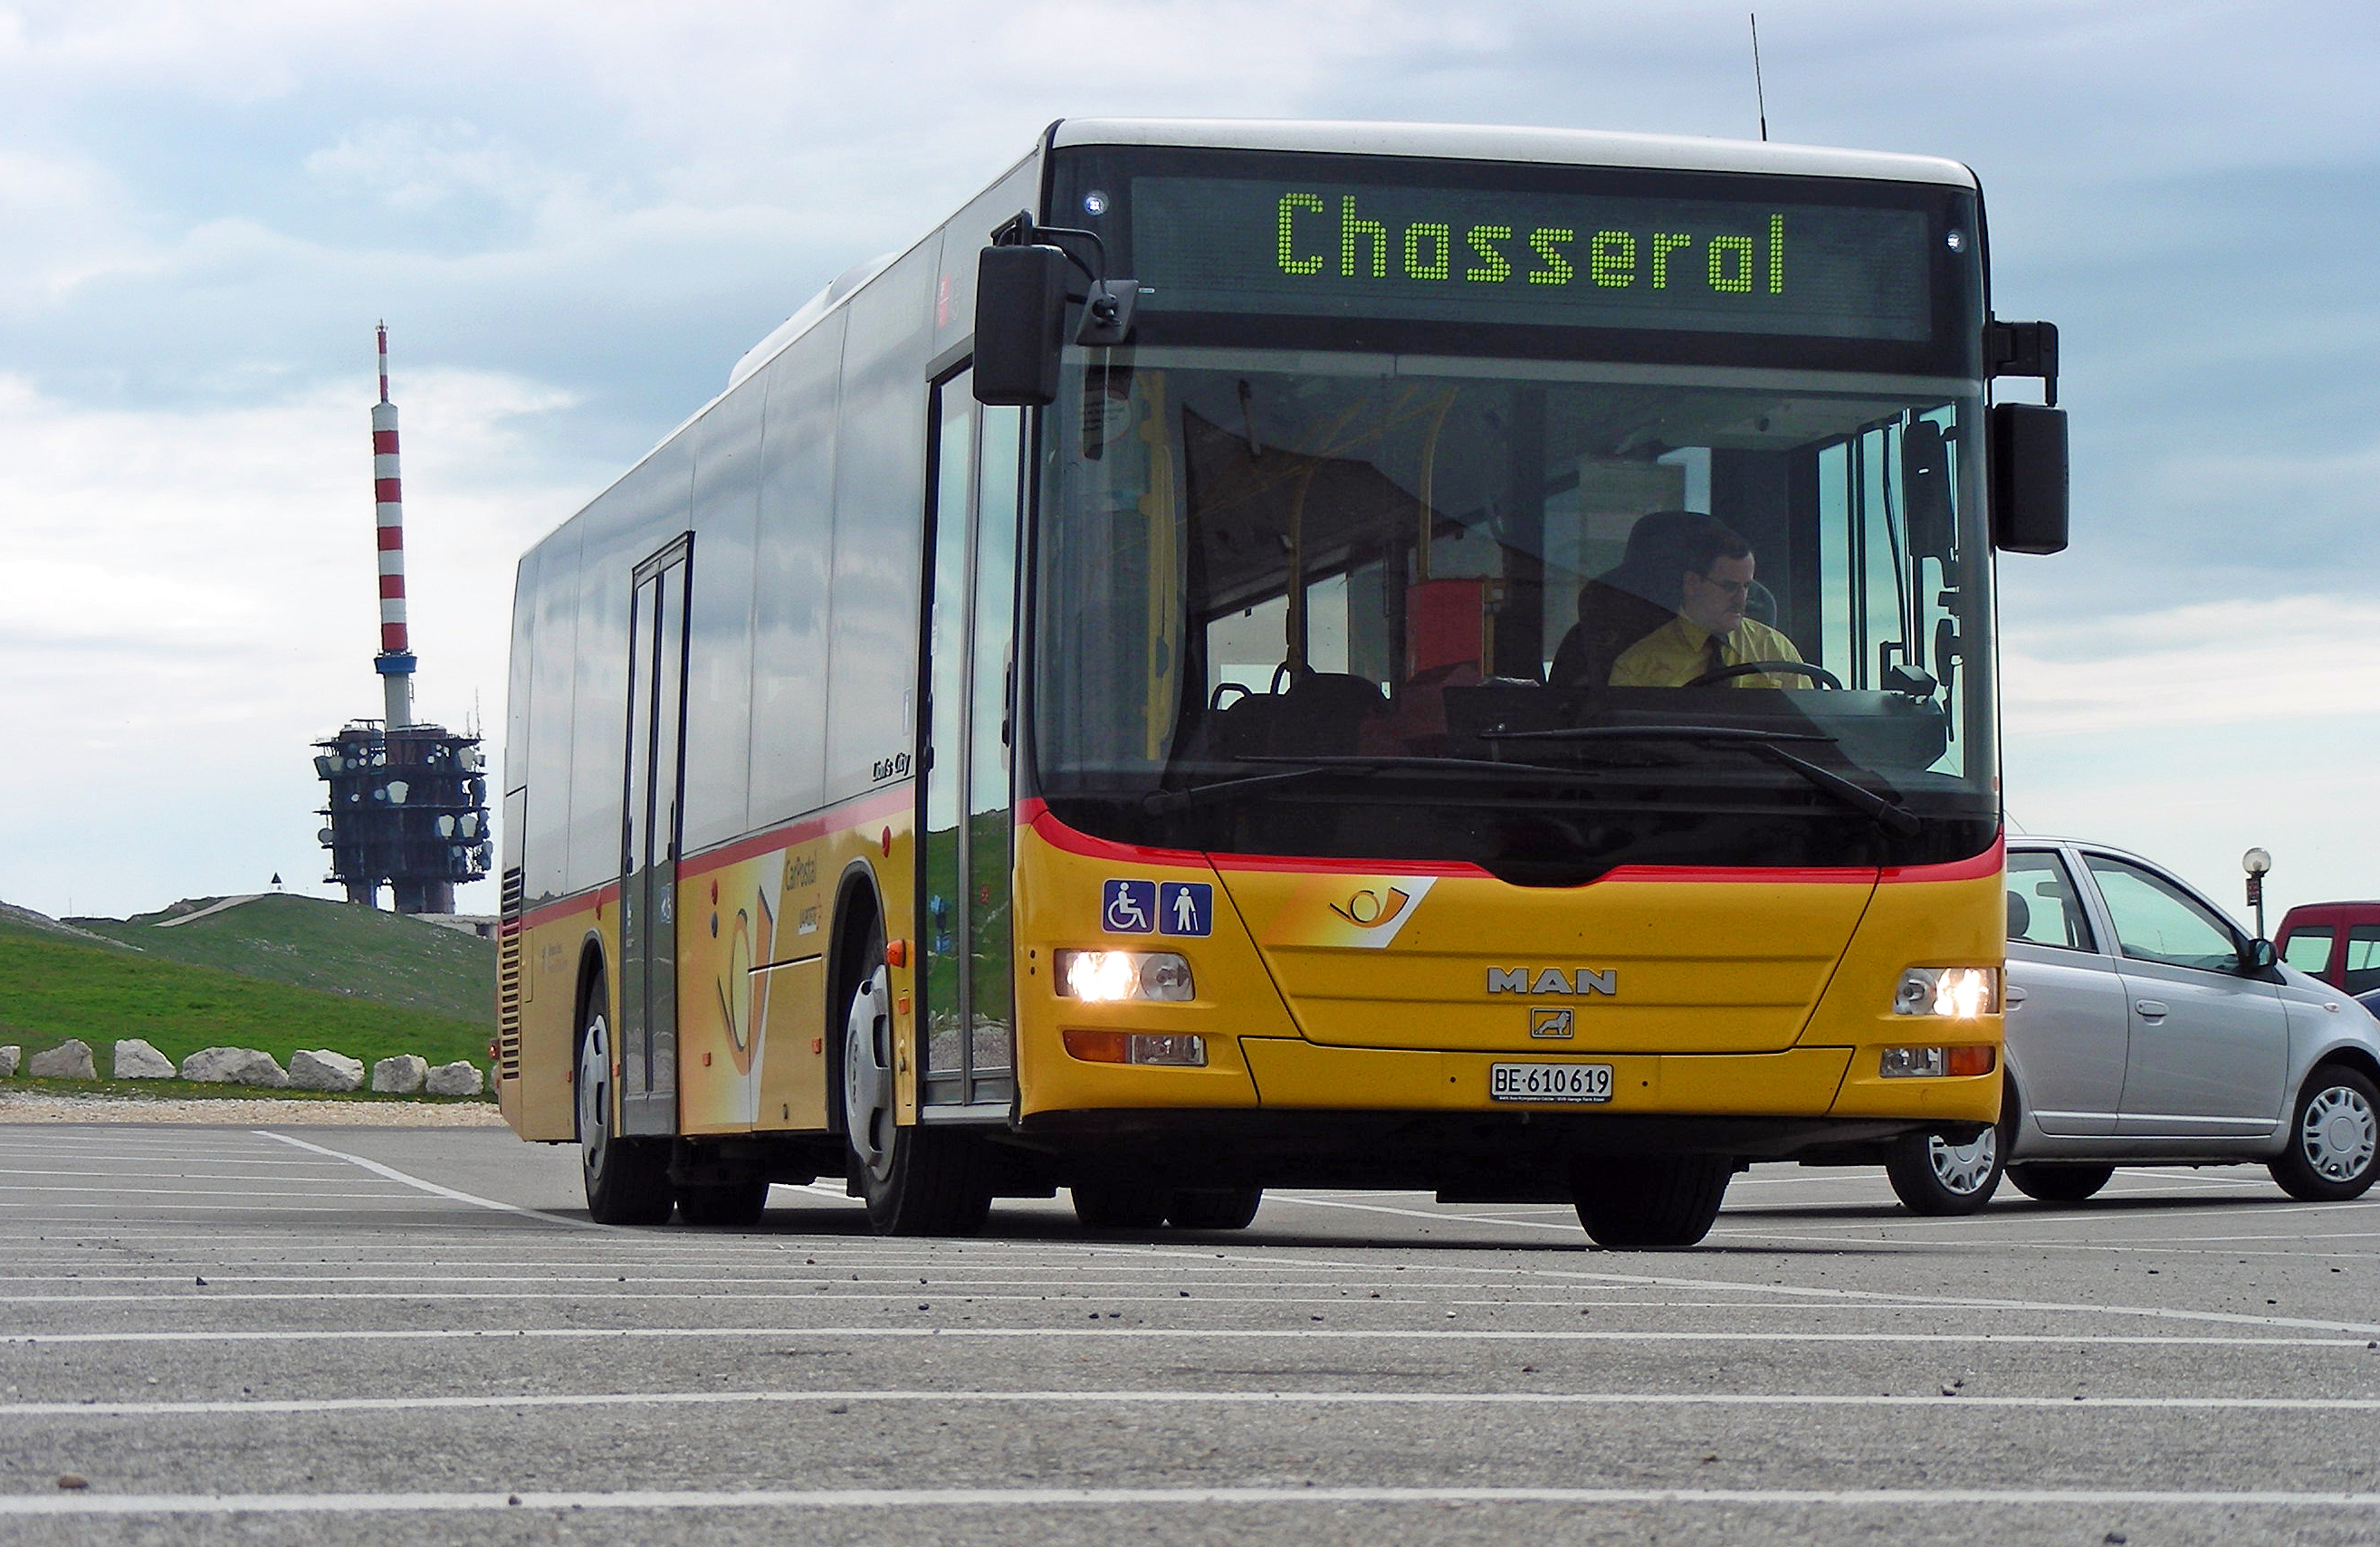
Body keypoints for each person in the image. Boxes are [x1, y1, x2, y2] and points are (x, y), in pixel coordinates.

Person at [1609, 517, 1807, 688]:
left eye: (1746, 587)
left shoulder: (1776, 649)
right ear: (1692, 584)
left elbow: (1809, 726)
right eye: (1729, 587)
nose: (1741, 600)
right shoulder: (1638, 666)